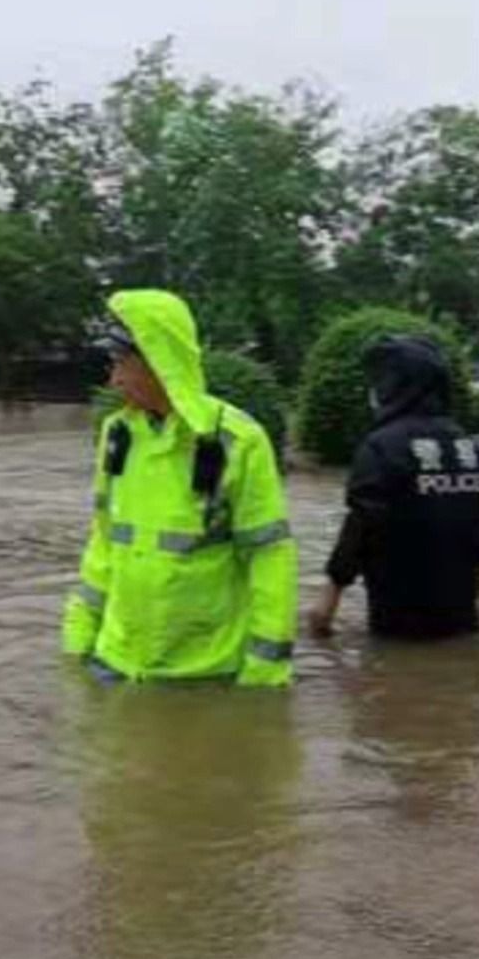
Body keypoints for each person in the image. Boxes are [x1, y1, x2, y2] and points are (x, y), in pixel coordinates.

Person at [62, 289, 296, 686]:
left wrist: (265, 670)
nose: (114, 378)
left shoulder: (236, 440)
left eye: (122, 364)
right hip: (115, 663)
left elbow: (269, 556)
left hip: (205, 673)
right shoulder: (118, 434)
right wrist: (78, 637)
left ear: (159, 361)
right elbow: (104, 541)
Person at [307, 335, 479, 640]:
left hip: (399, 616)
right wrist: (476, 578)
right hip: (462, 612)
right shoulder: (463, 443)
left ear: (393, 385)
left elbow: (362, 524)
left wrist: (330, 597)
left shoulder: (382, 446)